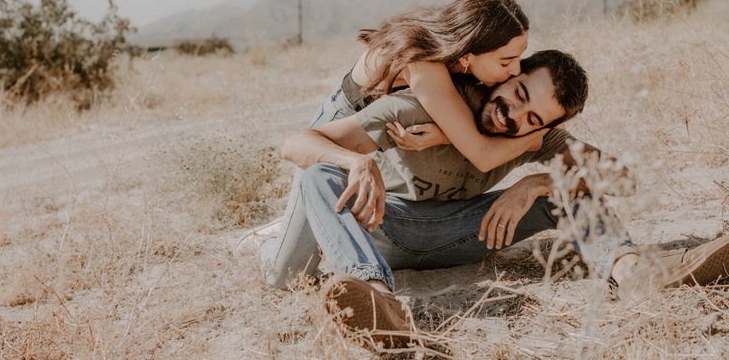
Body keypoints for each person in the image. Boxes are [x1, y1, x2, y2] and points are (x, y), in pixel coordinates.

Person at [280, 49, 729, 346]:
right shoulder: (419, 108)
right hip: (381, 225)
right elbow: (299, 143)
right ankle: (381, 303)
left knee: (574, 188)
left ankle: (633, 273)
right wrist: (357, 163)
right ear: (510, 76)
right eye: (517, 95)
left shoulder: (534, 137)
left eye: (531, 118)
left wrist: (537, 183)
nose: (512, 114)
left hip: (467, 230)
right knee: (319, 174)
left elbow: (624, 180)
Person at [254, 0, 548, 288]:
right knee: (285, 276)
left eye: (519, 58)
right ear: (469, 52)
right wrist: (538, 134)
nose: (515, 71)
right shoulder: (422, 62)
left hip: (381, 135)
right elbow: (482, 153)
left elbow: (463, 124)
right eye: (505, 61)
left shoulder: (457, 60)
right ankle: (268, 241)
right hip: (340, 130)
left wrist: (445, 136)